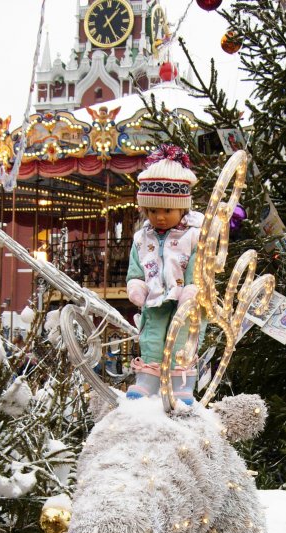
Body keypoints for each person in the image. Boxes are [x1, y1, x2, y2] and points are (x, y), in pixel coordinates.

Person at [126, 144, 203, 403]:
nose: (160, 217)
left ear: (182, 208)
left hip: (184, 297)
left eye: (167, 210)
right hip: (155, 295)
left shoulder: (193, 235)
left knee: (183, 336)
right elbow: (136, 265)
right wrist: (136, 283)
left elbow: (197, 262)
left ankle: (182, 380)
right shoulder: (141, 237)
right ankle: (149, 377)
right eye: (153, 211)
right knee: (152, 334)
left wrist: (193, 286)